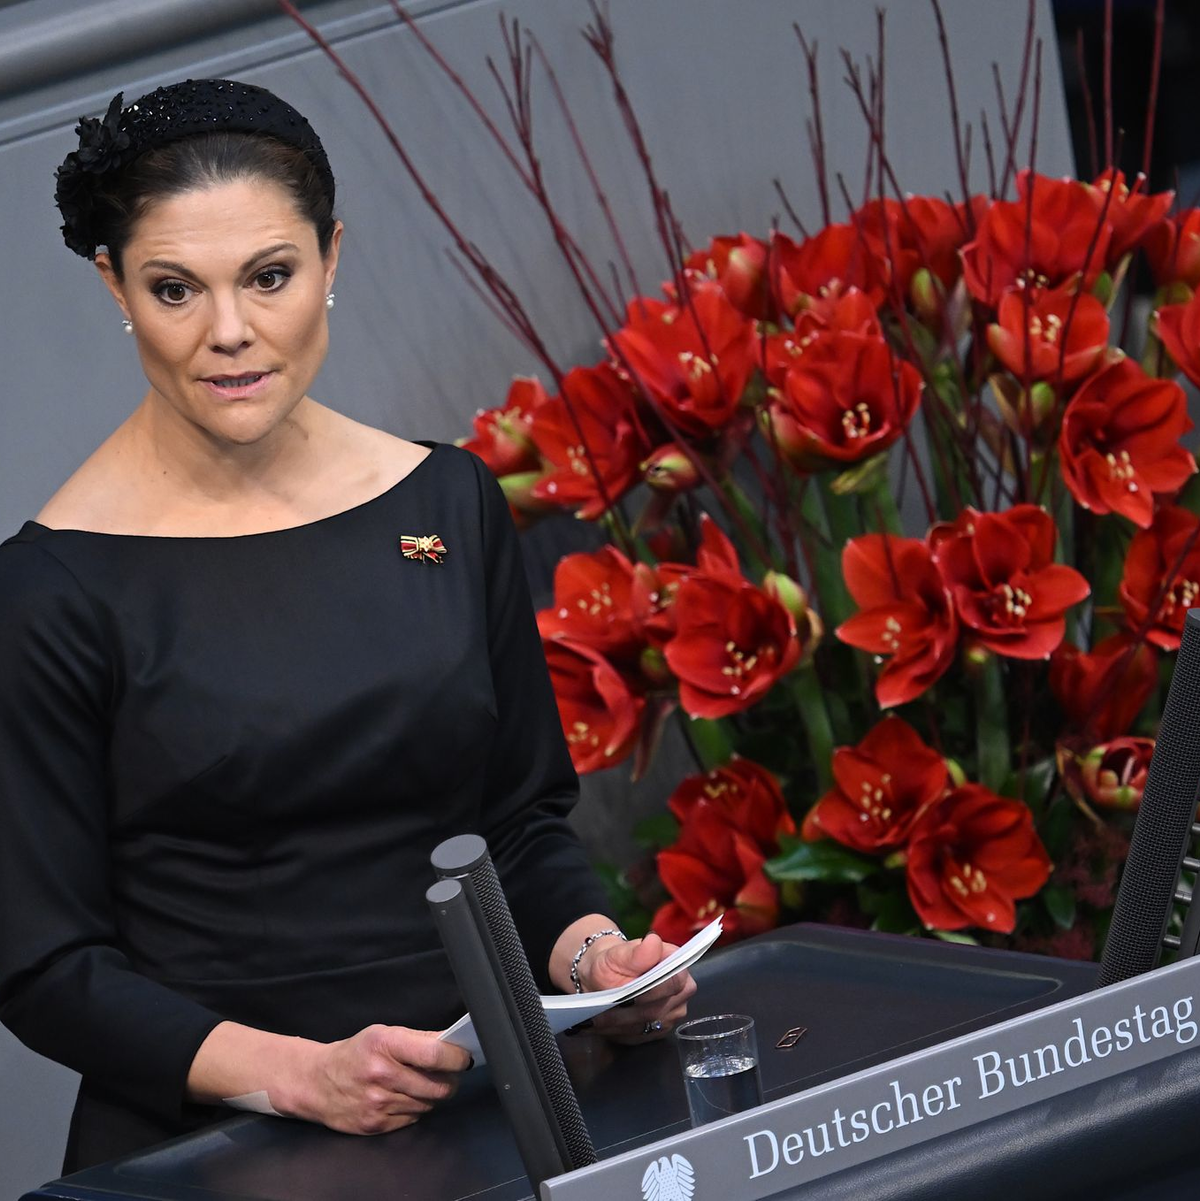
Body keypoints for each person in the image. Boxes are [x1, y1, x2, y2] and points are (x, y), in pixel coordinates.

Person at [0, 78, 694, 1175]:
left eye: (269, 277)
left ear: (332, 257)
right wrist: (295, 1073)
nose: (228, 333)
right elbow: (46, 966)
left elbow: (518, 828)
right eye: (175, 289)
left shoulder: (447, 500)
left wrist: (595, 963)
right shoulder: (50, 589)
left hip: (489, 1115)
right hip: (222, 1155)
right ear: (114, 286)